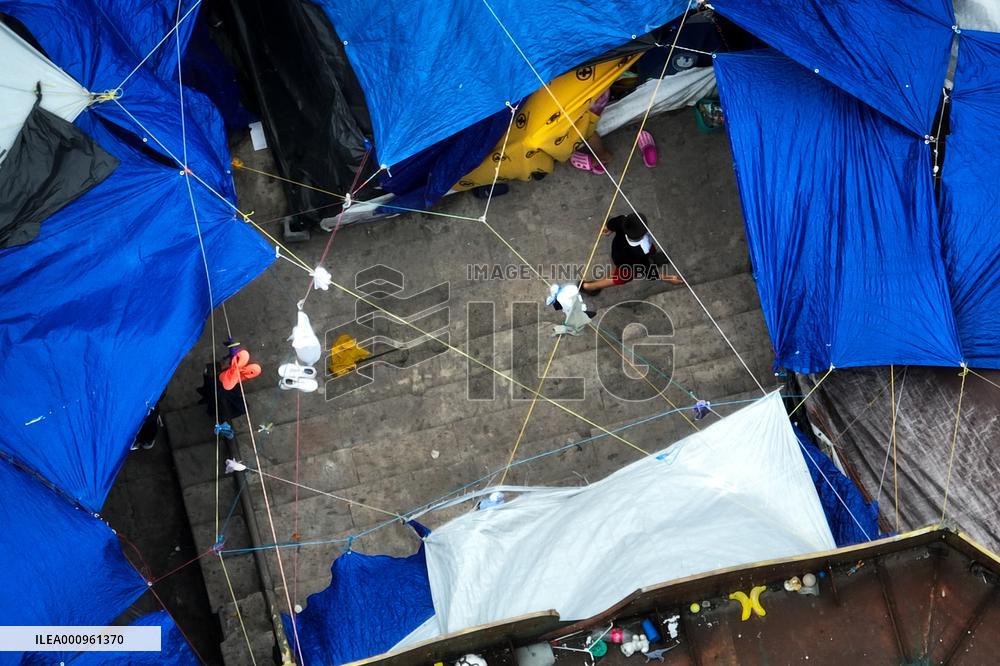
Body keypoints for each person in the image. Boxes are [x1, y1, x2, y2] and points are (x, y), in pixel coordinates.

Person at [580, 212, 683, 295]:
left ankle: (600, 280)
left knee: (617, 270)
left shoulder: (624, 221)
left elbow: (614, 222)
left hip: (618, 252)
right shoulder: (641, 251)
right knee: (621, 278)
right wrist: (668, 278)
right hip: (628, 265)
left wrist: (609, 228)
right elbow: (645, 270)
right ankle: (589, 287)